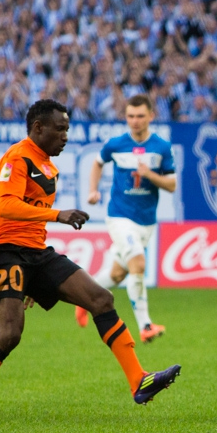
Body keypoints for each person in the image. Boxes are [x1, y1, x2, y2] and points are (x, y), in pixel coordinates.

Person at [0, 99, 180, 417]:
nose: (65, 135)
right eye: (60, 129)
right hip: (2, 252)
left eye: (67, 129)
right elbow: (6, 207)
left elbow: (31, 218)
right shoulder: (18, 157)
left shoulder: (48, 167)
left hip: (35, 253)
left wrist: (30, 276)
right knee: (11, 333)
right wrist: (59, 214)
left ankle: (139, 381)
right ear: (38, 128)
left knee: (100, 298)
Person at [77, 94, 176, 343]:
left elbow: (172, 184)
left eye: (140, 116)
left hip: (146, 221)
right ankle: (145, 326)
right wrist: (93, 190)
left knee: (119, 274)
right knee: (139, 265)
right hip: (120, 216)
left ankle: (83, 299)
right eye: (130, 116)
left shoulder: (162, 147)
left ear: (151, 116)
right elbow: (97, 163)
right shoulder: (116, 144)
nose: (135, 121)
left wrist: (150, 175)